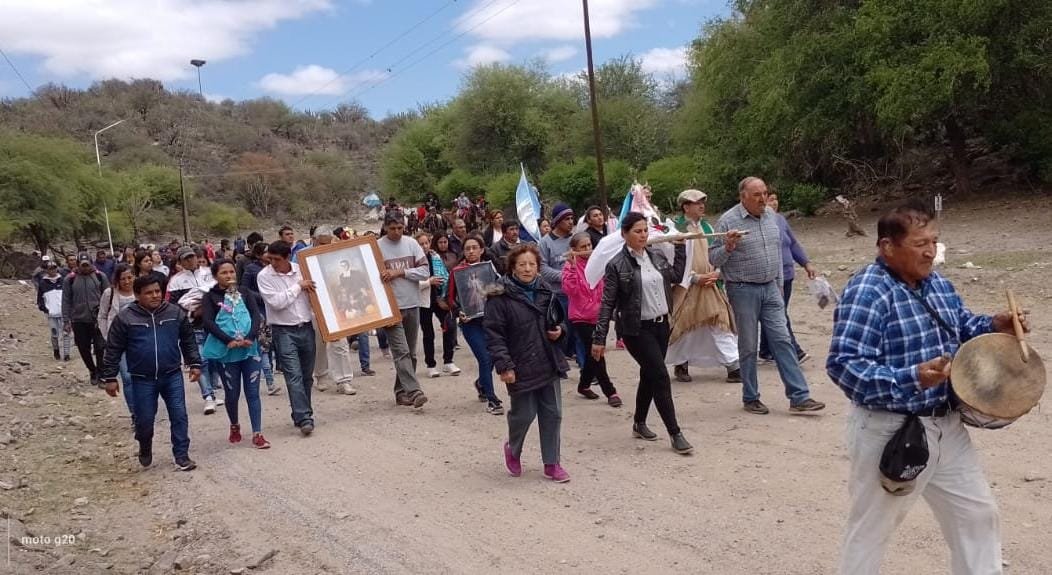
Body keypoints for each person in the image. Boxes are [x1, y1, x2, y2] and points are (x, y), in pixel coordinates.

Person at [827, 200, 1020, 574]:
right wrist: (912, 377)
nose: (931, 251)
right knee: (871, 530)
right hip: (890, 430)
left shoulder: (937, 284)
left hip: (946, 425)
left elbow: (961, 326)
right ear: (887, 246)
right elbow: (844, 365)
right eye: (920, 244)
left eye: (934, 241)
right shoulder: (869, 290)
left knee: (977, 516)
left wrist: (994, 325)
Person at [709, 177, 825, 415]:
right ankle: (751, 397)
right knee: (749, 345)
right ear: (743, 197)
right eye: (757, 195)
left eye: (764, 193)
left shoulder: (772, 217)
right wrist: (728, 246)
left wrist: (779, 284)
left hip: (771, 287)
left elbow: (777, 252)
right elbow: (713, 258)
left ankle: (799, 397)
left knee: (782, 340)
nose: (763, 199)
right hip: (742, 289)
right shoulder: (728, 221)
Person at [593, 212, 693, 454]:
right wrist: (599, 338)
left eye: (645, 230)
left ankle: (639, 422)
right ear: (624, 233)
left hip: (661, 325)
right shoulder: (616, 265)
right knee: (660, 376)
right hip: (636, 330)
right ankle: (675, 433)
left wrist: (680, 248)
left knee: (650, 374)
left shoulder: (656, 255)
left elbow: (676, 276)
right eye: (637, 231)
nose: (643, 235)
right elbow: (607, 303)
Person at [486, 244, 570, 482]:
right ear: (512, 267)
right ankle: (513, 449)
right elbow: (494, 334)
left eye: (532, 264)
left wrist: (560, 331)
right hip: (520, 364)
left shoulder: (545, 289)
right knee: (524, 415)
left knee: (553, 413)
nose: (527, 269)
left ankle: (552, 463)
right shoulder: (499, 296)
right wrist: (504, 366)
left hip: (548, 359)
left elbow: (559, 319)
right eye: (522, 264)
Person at [100, 275, 201, 471]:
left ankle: (181, 455)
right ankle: (145, 445)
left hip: (172, 375)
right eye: (148, 293)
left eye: (157, 291)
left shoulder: (174, 313)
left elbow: (188, 340)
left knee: (179, 415)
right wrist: (110, 377)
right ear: (137, 295)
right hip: (142, 378)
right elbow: (113, 349)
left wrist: (195, 363)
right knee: (144, 420)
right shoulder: (125, 318)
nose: (155, 295)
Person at [667, 189, 742, 384]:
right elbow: (670, 260)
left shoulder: (708, 227)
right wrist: (694, 278)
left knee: (720, 322)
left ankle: (734, 365)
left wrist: (717, 273)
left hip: (711, 285)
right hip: (686, 287)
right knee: (685, 327)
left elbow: (716, 253)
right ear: (686, 207)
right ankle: (681, 363)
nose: (702, 206)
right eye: (697, 203)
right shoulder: (675, 229)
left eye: (702, 202)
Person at [201, 258, 270, 449]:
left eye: (231, 271)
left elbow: (255, 316)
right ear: (215, 276)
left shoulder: (245, 292)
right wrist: (228, 340)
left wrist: (251, 337)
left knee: (253, 392)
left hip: (250, 350)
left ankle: (257, 433)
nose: (229, 275)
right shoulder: (210, 297)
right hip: (227, 352)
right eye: (224, 273)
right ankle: (234, 425)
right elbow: (208, 322)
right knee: (232, 393)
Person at [257, 241, 318, 435]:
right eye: (270, 259)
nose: (273, 263)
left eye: (277, 259)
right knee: (293, 375)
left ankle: (301, 412)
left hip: (306, 327)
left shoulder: (302, 270)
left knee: (307, 375)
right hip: (283, 330)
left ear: (287, 257)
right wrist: (298, 287)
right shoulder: (264, 276)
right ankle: (305, 417)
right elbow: (276, 302)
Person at [377, 213, 430, 408]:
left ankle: (401, 392)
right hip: (391, 307)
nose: (397, 232)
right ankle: (415, 391)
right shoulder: (377, 247)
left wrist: (400, 272)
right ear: (385, 227)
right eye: (392, 228)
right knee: (401, 352)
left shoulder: (411, 244)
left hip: (412, 303)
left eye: (400, 228)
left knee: (411, 353)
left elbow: (424, 271)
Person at [758, 190, 817, 363]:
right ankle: (795, 351)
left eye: (776, 199)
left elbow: (793, 243)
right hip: (772, 276)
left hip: (788, 274)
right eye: (770, 200)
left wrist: (806, 263)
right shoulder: (759, 223)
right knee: (779, 313)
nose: (774, 203)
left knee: (777, 311)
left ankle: (766, 349)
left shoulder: (781, 219)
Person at [562, 232, 620, 406]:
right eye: (583, 247)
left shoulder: (598, 263)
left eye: (589, 245)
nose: (587, 249)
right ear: (574, 249)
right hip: (580, 317)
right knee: (597, 351)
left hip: (599, 315)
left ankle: (584, 385)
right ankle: (610, 391)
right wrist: (573, 267)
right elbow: (570, 290)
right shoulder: (569, 267)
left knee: (590, 353)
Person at [448, 235, 503, 414]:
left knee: (493, 357)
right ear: (463, 252)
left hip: (490, 321)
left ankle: (481, 383)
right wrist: (459, 312)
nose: (471, 251)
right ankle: (492, 400)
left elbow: (500, 290)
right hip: (470, 323)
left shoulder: (490, 268)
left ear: (481, 250)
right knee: (484, 358)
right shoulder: (457, 272)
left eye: (474, 247)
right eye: (467, 248)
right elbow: (449, 299)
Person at [168, 246, 223, 414]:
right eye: (186, 258)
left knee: (215, 359)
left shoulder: (210, 273)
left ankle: (212, 390)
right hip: (193, 326)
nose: (190, 260)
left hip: (215, 324)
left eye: (191, 256)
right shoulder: (175, 281)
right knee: (200, 360)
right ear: (180, 262)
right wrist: (192, 313)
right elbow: (174, 306)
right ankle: (208, 396)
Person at [310, 228, 357, 396]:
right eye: (321, 242)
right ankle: (320, 375)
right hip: (314, 306)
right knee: (319, 343)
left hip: (336, 305)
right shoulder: (303, 257)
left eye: (327, 242)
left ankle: (344, 380)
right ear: (314, 240)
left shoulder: (335, 256)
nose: (324, 246)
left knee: (341, 342)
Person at [538, 203, 582, 367]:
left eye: (572, 218)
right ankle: (560, 362)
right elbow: (543, 269)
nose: (571, 222)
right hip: (558, 295)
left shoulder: (575, 240)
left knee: (579, 332)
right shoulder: (545, 243)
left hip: (577, 294)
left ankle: (584, 366)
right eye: (566, 219)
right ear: (557, 221)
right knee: (563, 331)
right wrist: (567, 276)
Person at [415, 232, 460, 379]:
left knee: (450, 326)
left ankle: (448, 361)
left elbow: (445, 275)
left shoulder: (435, 257)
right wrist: (429, 282)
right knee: (428, 334)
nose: (424, 246)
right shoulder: (413, 261)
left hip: (440, 298)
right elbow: (411, 284)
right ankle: (431, 365)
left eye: (426, 243)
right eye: (421, 244)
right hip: (424, 301)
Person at [97, 264, 138, 422]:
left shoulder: (140, 291)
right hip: (119, 342)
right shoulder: (110, 293)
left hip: (140, 341)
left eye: (129, 277)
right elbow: (102, 315)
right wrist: (107, 336)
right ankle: (135, 414)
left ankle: (146, 408)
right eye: (123, 279)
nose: (127, 281)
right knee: (127, 378)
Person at [62, 253, 110, 386]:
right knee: (83, 348)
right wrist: (66, 320)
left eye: (87, 265)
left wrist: (109, 315)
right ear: (78, 265)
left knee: (100, 347)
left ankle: (101, 374)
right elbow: (66, 300)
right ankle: (92, 370)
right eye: (82, 265)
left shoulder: (100, 276)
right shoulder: (70, 279)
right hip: (79, 320)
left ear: (91, 263)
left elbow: (108, 296)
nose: (85, 267)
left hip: (98, 319)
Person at [37, 259, 71, 361]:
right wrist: (45, 309)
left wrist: (69, 307)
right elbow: (40, 299)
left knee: (66, 333)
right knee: (54, 333)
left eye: (54, 268)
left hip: (64, 312)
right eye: (50, 268)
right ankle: (56, 350)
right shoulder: (43, 283)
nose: (52, 270)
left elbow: (69, 295)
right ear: (46, 270)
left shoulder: (64, 280)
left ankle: (66, 354)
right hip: (51, 313)